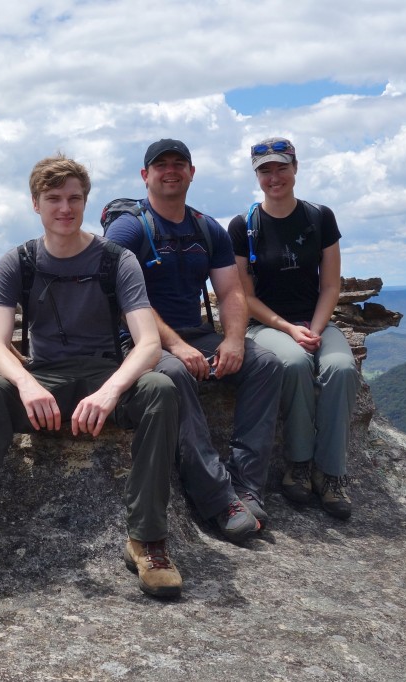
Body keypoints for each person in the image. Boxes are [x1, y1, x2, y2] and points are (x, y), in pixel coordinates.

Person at [0, 155, 183, 600]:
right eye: (53, 199)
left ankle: (147, 541)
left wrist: (111, 390)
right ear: (35, 204)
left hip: (103, 373)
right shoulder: (17, 262)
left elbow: (149, 344)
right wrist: (25, 382)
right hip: (46, 377)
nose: (65, 208)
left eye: (75, 198)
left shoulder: (118, 260)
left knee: (160, 388)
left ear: (85, 201)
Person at [104, 139, 282, 541]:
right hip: (137, 340)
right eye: (161, 165)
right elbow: (122, 297)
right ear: (145, 175)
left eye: (179, 164)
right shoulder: (130, 227)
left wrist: (234, 340)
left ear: (192, 172)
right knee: (173, 376)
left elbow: (232, 291)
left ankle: (247, 483)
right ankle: (218, 500)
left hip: (197, 333)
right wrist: (176, 347)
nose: (171, 171)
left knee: (266, 363)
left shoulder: (206, 228)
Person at [227, 137, 359, 519]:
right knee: (295, 363)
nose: (274, 177)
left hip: (314, 320)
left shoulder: (319, 218)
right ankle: (299, 464)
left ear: (295, 168)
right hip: (267, 324)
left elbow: (331, 285)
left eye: (281, 167)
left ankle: (331, 472)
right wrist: (289, 329)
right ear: (256, 176)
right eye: (265, 170)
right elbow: (243, 295)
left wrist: (314, 330)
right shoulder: (244, 226)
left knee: (341, 368)